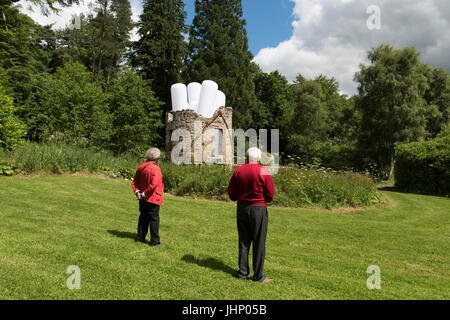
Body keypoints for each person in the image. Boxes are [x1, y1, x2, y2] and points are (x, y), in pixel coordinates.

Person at [227, 147, 275, 283]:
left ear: (247, 157)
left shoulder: (238, 170)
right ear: (259, 158)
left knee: (243, 241)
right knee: (259, 241)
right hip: (258, 208)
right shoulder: (263, 171)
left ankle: (242, 272)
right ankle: (258, 275)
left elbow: (231, 192)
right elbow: (270, 193)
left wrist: (239, 197)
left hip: (242, 208)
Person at [131, 148, 165, 247]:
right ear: (157, 158)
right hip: (152, 197)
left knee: (143, 217)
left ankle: (140, 238)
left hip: (143, 197)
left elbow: (134, 182)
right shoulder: (156, 168)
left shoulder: (141, 167)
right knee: (154, 219)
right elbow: (154, 184)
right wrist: (143, 194)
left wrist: (138, 193)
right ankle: (155, 242)